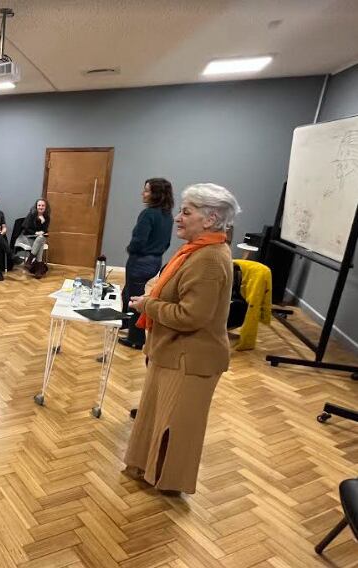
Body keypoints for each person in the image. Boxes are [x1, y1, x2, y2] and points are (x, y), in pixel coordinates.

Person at [124, 183, 240, 495]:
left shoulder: (210, 259)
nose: (178, 217)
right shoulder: (196, 251)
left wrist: (148, 304)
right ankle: (146, 470)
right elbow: (169, 285)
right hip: (171, 353)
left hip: (190, 360)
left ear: (210, 219)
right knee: (154, 417)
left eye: (186, 212)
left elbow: (192, 317)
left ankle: (166, 481)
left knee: (173, 428)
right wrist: (154, 290)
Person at [119, 178, 175, 349]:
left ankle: (136, 339)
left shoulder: (148, 214)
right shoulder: (168, 215)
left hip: (140, 262)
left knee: (134, 299)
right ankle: (126, 323)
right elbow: (166, 243)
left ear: (156, 194)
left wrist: (131, 249)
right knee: (127, 292)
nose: (143, 193)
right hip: (155, 261)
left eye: (147, 190)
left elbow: (139, 240)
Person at [16, 198, 51, 278]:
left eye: (43, 205)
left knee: (41, 239)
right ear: (36, 206)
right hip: (28, 237)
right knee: (41, 241)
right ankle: (38, 268)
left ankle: (29, 260)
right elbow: (26, 228)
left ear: (46, 207)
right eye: (39, 205)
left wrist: (42, 224)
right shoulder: (32, 214)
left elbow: (45, 230)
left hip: (39, 238)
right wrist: (36, 233)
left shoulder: (47, 217)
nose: (41, 207)